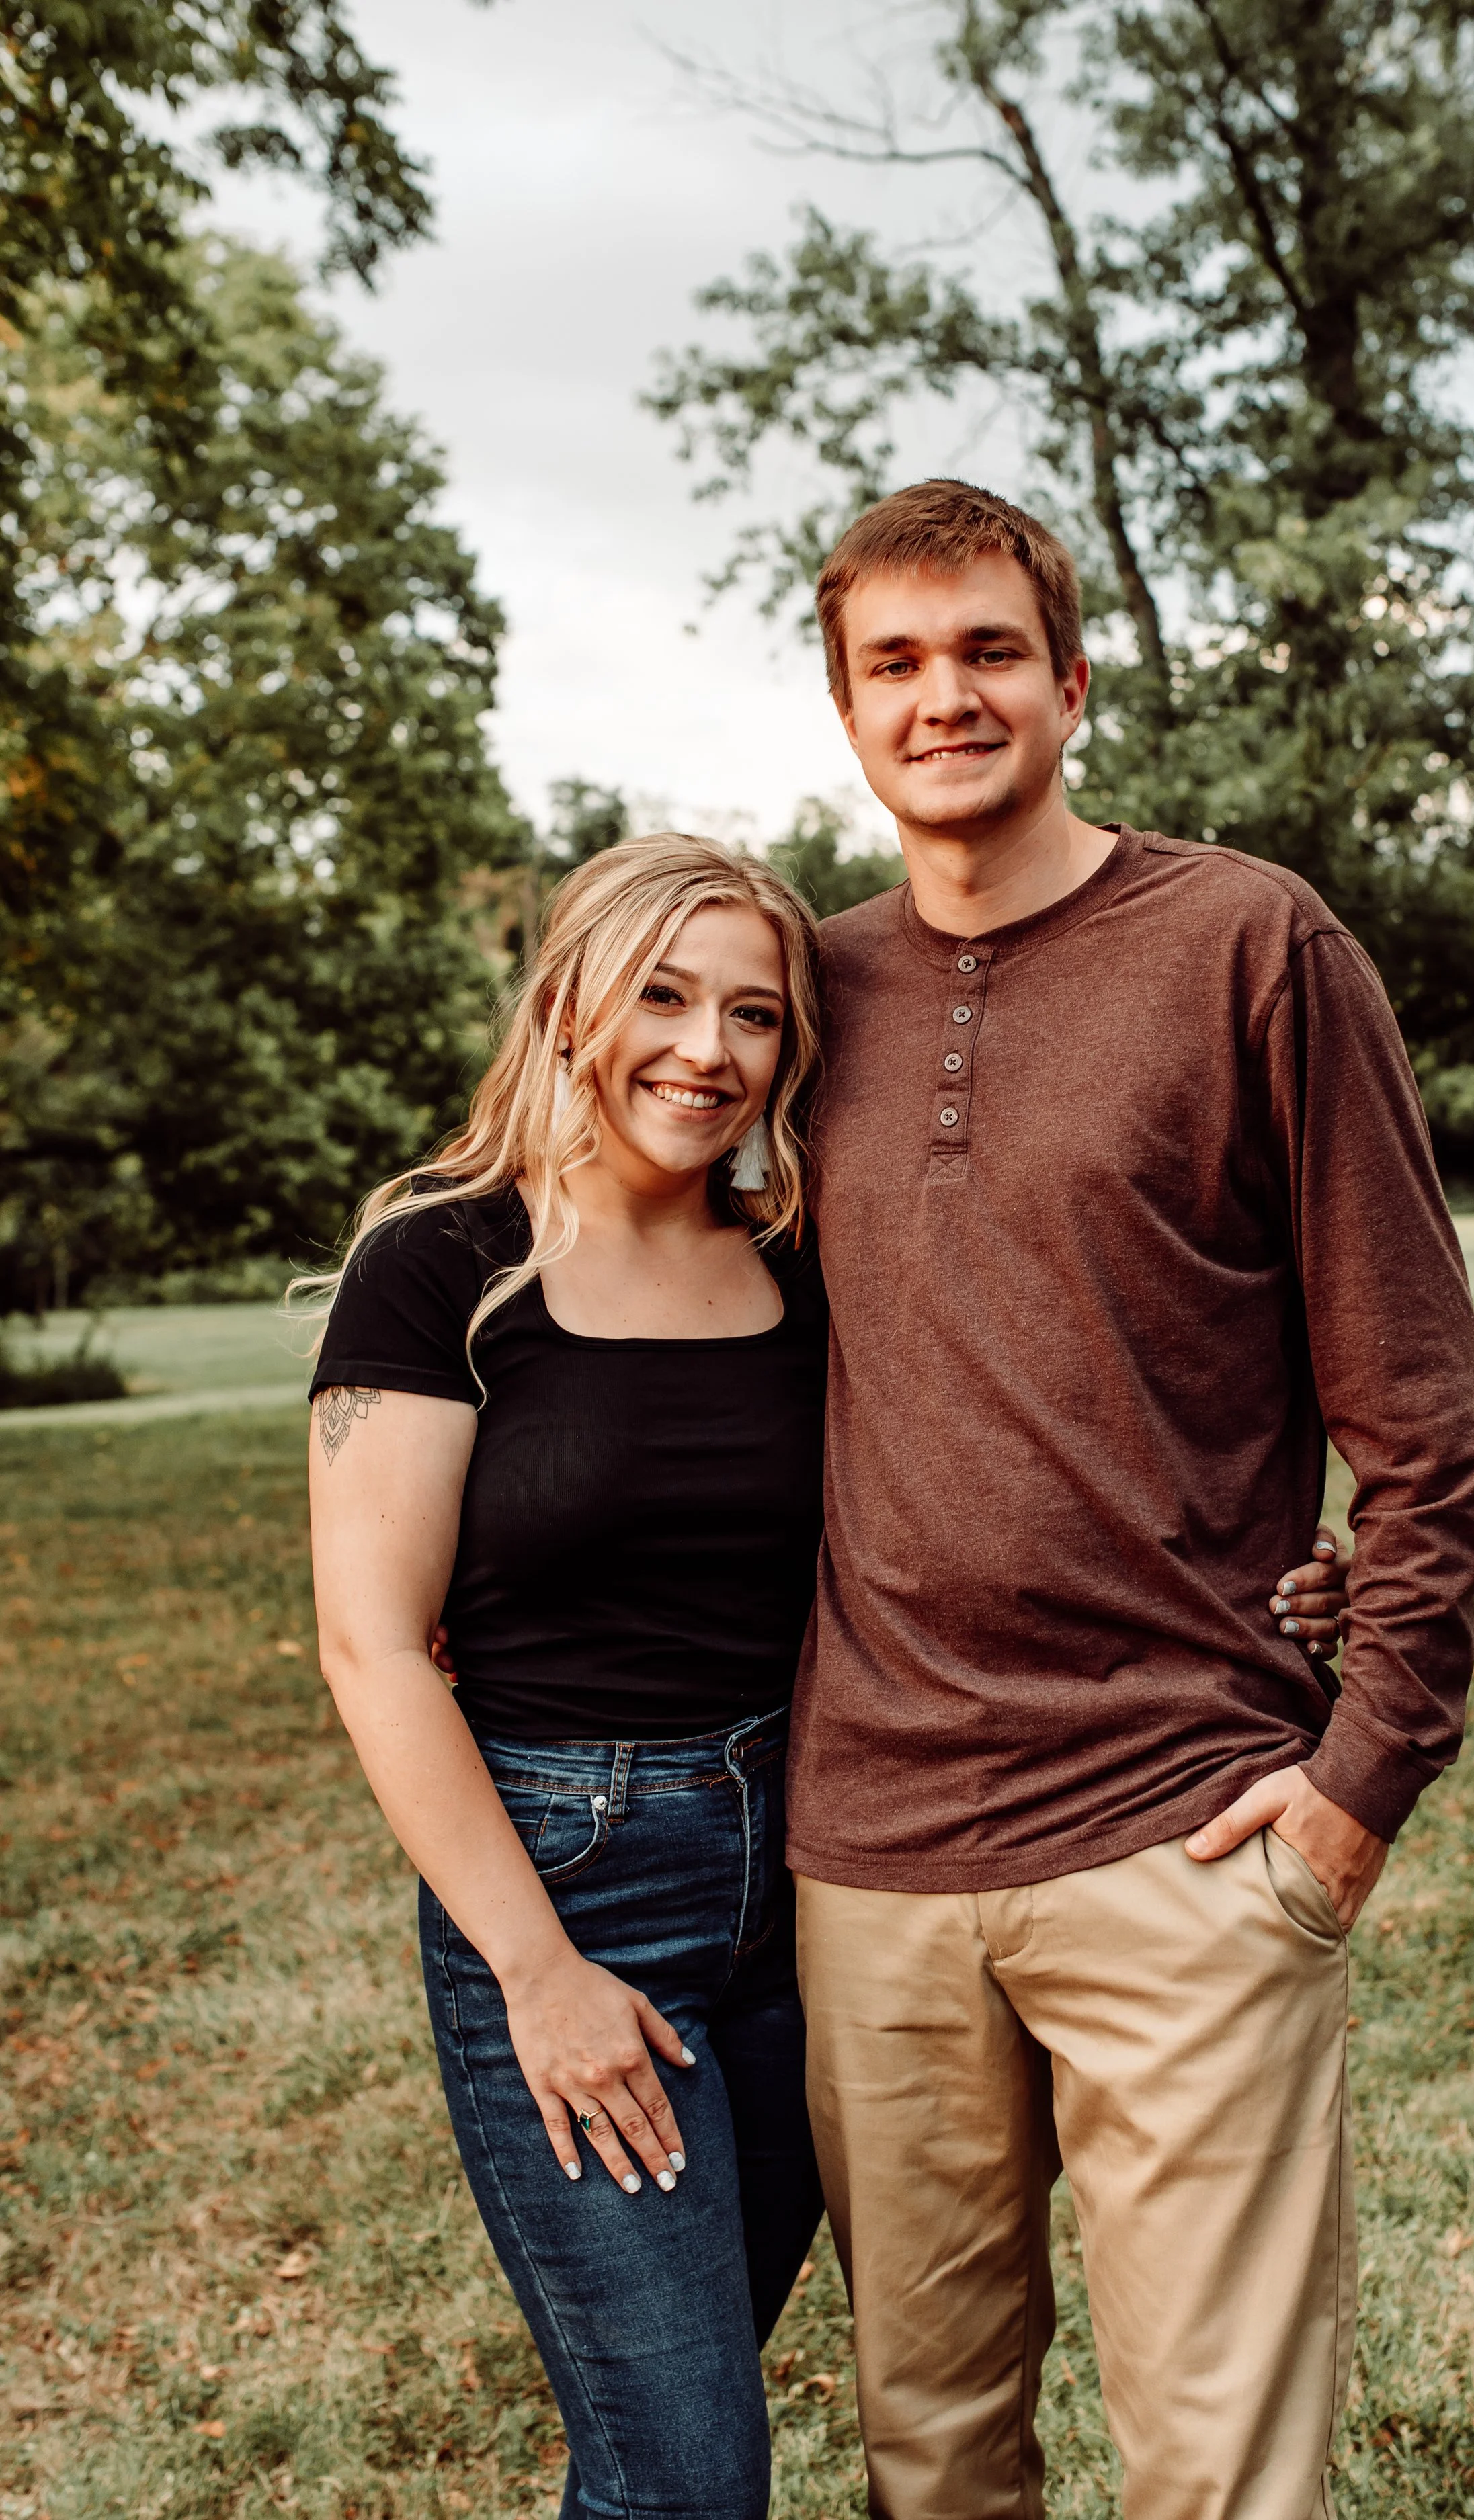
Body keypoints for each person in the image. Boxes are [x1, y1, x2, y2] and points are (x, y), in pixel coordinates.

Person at [786, 480, 1474, 2520]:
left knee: (1223, 2479)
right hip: (874, 1851)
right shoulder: (797, 1001)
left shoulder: (1247, 945)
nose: (946, 696)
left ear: (1073, 677)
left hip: (1185, 1828)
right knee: (930, 2464)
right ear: (845, 712)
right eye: (895, 663)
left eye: (988, 648)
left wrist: (1365, 1769)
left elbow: (1423, 1413)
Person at [302, 835, 831, 2520]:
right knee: (687, 2474)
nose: (707, 1048)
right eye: (662, 995)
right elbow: (372, 1647)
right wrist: (536, 1972)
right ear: (569, 1001)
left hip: (816, 1883)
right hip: (576, 1888)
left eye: (754, 1013)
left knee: (664, 2437)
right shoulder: (446, 1264)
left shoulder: (799, 1265)